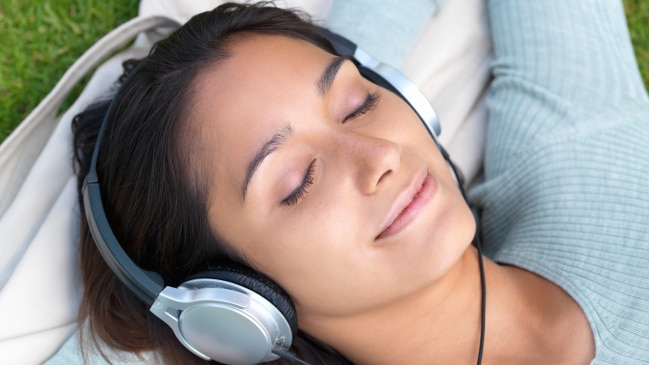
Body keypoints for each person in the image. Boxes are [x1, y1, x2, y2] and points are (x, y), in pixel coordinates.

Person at [51, 0, 649, 364]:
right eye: (298, 181)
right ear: (236, 304)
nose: (381, 155)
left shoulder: (591, 165)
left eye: (359, 103)